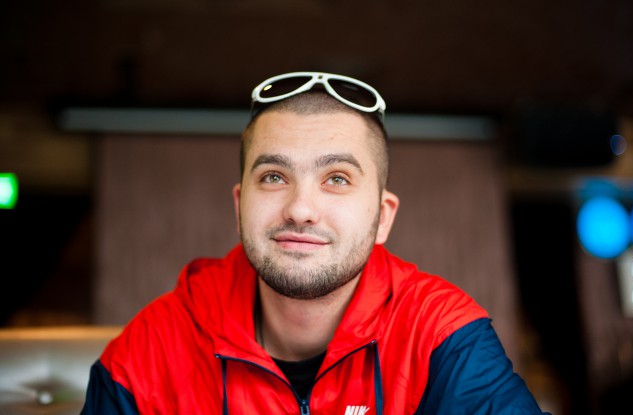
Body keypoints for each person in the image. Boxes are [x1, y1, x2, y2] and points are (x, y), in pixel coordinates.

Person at [81, 71, 549, 414]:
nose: (300, 208)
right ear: (239, 206)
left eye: (337, 178)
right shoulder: (152, 348)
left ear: (383, 217)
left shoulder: (438, 333)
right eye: (274, 176)